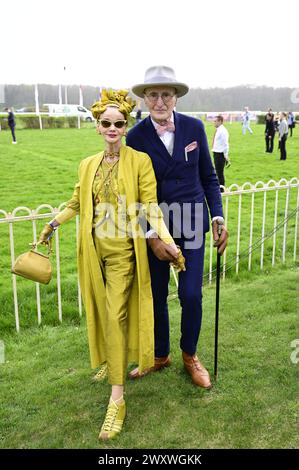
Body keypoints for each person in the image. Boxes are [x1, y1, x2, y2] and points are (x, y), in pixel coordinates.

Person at [37, 89, 183, 440]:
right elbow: (75, 201)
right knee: (102, 313)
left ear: (126, 125)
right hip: (92, 253)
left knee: (116, 314)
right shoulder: (87, 164)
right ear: (98, 125)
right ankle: (110, 361)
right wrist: (52, 224)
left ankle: (117, 399)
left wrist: (168, 240)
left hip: (123, 255)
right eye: (107, 123)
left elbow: (150, 206)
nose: (113, 128)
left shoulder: (139, 161)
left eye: (120, 123)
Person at [127, 65, 228, 389]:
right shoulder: (135, 136)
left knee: (191, 295)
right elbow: (133, 197)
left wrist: (217, 217)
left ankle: (189, 355)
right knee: (155, 295)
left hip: (193, 222)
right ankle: (160, 354)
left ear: (175, 97)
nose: (159, 101)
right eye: (153, 95)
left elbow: (210, 178)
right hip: (156, 227)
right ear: (144, 99)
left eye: (166, 94)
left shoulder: (195, 128)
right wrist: (152, 236)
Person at [211, 115, 230, 190]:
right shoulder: (218, 130)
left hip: (220, 154)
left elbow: (226, 144)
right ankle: (218, 187)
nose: (214, 123)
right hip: (216, 152)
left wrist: (226, 155)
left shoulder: (223, 131)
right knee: (217, 171)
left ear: (220, 121)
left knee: (219, 173)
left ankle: (221, 189)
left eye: (215, 121)